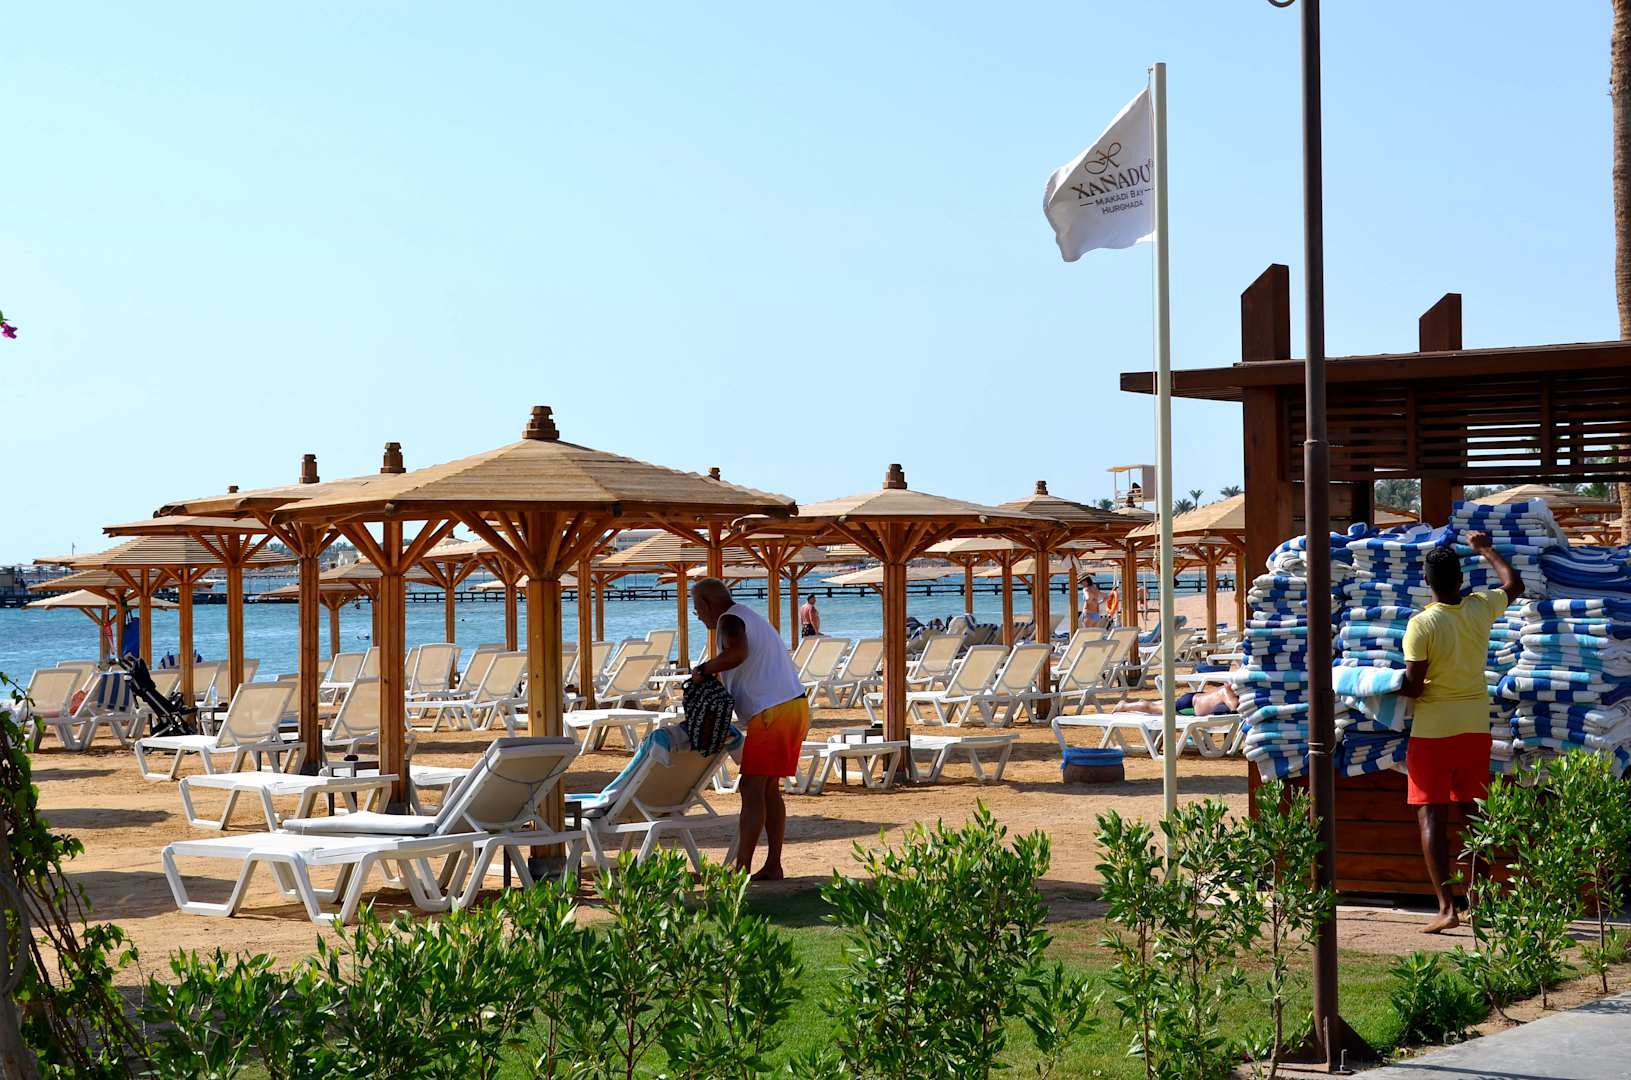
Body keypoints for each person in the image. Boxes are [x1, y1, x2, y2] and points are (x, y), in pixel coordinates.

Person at [1400, 532, 1523, 934]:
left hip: (1432, 731)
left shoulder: (1421, 625)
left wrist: (1382, 685)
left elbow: (1414, 687)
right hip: (1474, 727)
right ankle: (1480, 902)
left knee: (1431, 816)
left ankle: (1446, 908)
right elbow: (1514, 584)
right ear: (1461, 579)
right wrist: (1484, 549)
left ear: (1427, 581)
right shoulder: (1480, 608)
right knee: (1474, 814)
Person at [691, 578, 810, 881]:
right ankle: (772, 865)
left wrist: (703, 669)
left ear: (706, 603)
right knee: (767, 789)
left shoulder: (729, 620)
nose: (698, 616)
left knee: (751, 787)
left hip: (773, 711)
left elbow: (738, 653)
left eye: (696, 609)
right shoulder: (747, 615)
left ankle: (742, 867)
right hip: (793, 706)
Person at [1111, 681, 1237, 717]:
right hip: (1190, 706)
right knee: (1153, 708)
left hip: (1196, 699)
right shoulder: (1227, 691)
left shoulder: (1229, 690)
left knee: (1160, 705)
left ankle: (1143, 703)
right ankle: (1124, 706)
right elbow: (1234, 707)